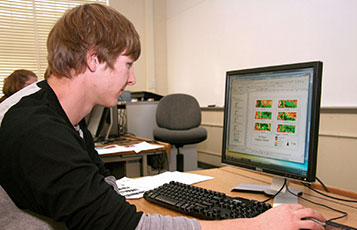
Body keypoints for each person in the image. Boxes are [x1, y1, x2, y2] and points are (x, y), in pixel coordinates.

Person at [0, 3, 326, 230]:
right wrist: (256, 226)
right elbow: (123, 227)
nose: (133, 80)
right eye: (128, 64)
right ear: (94, 60)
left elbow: (101, 181)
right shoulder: (38, 129)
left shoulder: (61, 113)